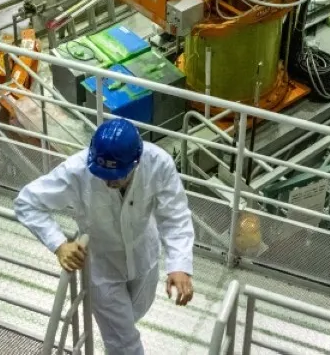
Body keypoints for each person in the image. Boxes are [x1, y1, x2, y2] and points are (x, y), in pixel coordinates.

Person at [14, 117, 195, 355]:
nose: (109, 181)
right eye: (102, 174)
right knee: (124, 341)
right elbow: (27, 202)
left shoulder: (158, 163)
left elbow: (175, 215)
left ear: (136, 162)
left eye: (116, 175)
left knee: (128, 322)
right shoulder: (77, 171)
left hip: (145, 259)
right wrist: (59, 245)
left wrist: (179, 264)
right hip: (102, 267)